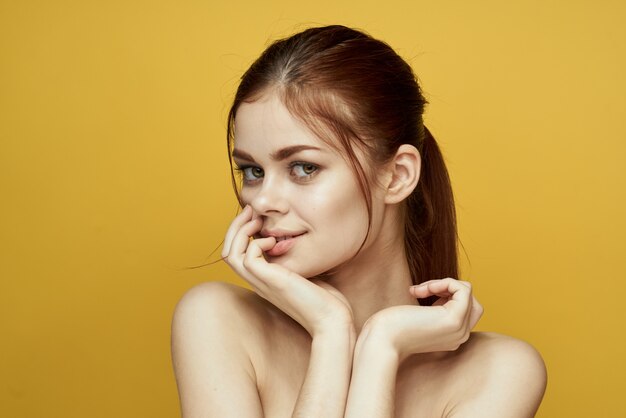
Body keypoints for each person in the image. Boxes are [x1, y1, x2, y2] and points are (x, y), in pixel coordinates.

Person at [171, 25, 547, 418]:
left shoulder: (498, 372)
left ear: (397, 176)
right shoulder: (219, 322)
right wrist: (332, 332)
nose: (262, 200)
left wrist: (380, 346)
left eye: (303, 167)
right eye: (252, 171)